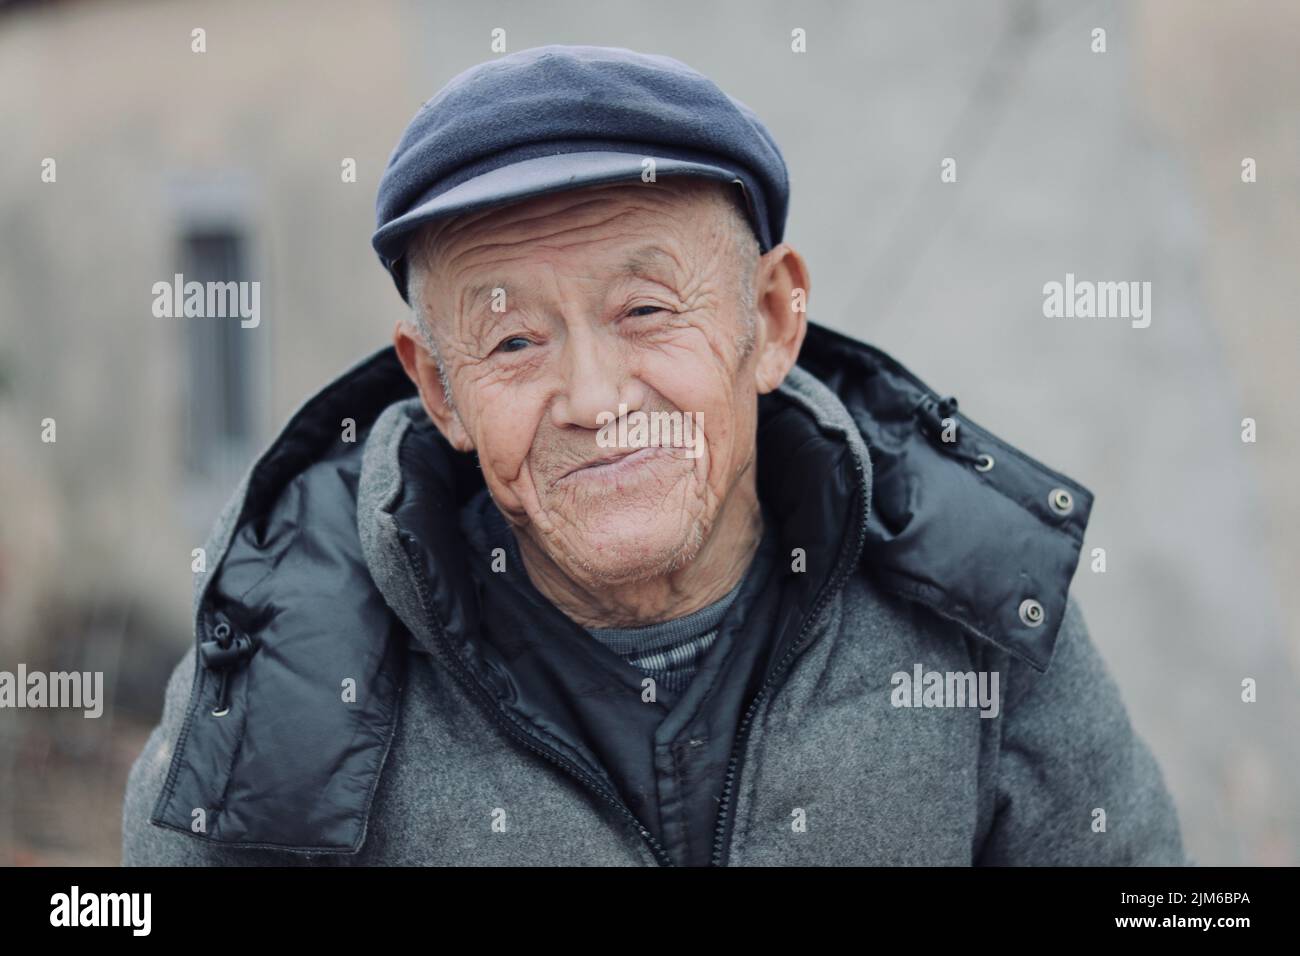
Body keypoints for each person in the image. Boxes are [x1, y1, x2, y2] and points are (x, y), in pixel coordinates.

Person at [122, 44, 1186, 866]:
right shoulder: (292, 653)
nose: (593, 399)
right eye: (511, 340)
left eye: (644, 307)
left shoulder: (972, 595)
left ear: (768, 320)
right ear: (438, 386)